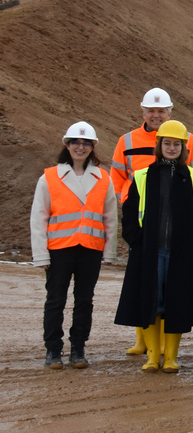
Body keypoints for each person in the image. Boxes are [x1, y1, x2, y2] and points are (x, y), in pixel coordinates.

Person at [114, 120, 193, 374]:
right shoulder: (142, 177)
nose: (172, 148)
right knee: (149, 302)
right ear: (159, 146)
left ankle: (170, 357)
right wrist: (136, 241)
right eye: (167, 143)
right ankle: (152, 357)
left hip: (181, 254)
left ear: (184, 148)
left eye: (177, 144)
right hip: (148, 252)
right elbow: (128, 214)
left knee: (176, 304)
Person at [30, 122, 118, 369]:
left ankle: (78, 348)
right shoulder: (49, 177)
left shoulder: (103, 178)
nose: (80, 147)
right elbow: (39, 218)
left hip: (90, 249)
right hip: (59, 250)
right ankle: (53, 350)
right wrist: (41, 255)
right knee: (55, 300)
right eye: (76, 142)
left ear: (93, 147)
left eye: (86, 143)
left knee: (84, 300)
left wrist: (108, 252)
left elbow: (110, 217)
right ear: (67, 145)